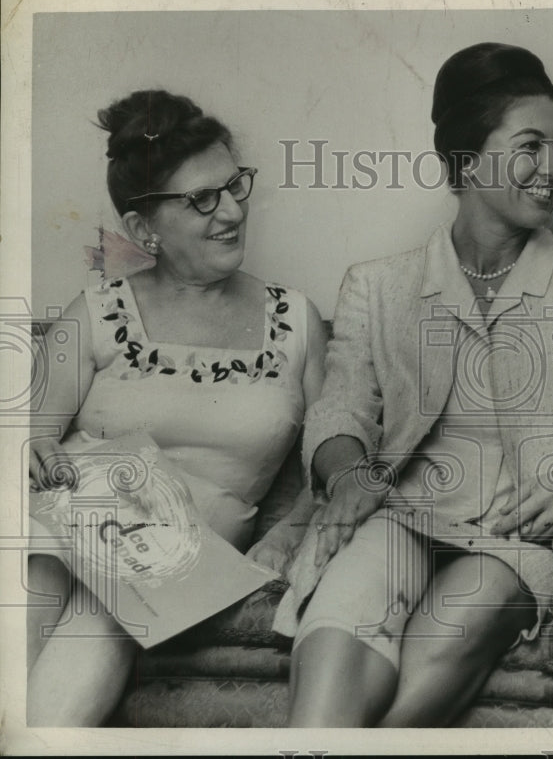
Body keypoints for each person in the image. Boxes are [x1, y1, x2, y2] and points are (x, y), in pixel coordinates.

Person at [275, 42, 553, 727]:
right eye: (530, 146)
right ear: (466, 158)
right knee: (339, 626)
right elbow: (339, 408)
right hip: (400, 513)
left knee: (454, 625)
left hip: (526, 537)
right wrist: (348, 478)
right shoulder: (379, 284)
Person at [26, 89, 327, 726]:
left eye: (234, 185)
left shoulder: (297, 322)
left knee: (103, 618)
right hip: (69, 529)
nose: (233, 212)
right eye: (201, 199)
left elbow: (333, 454)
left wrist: (286, 536)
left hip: (174, 566)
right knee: (31, 587)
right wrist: (39, 450)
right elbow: (26, 440)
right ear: (143, 229)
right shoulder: (97, 312)